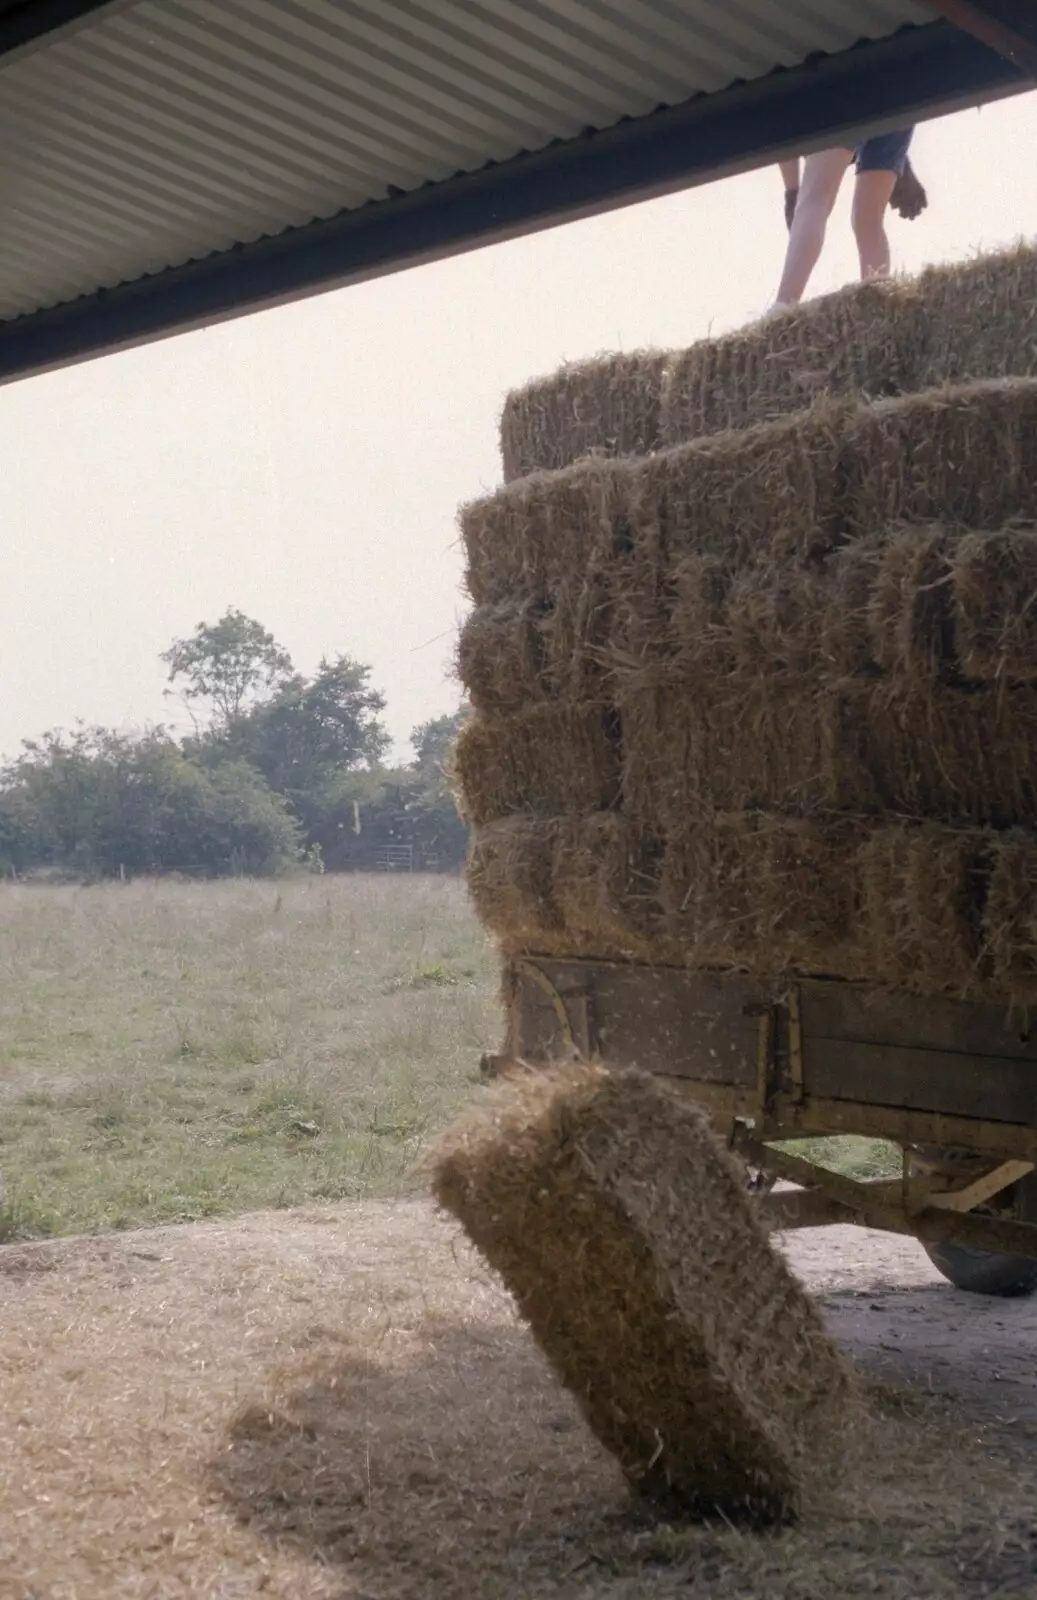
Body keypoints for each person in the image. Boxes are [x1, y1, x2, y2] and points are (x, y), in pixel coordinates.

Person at [772, 132, 926, 309]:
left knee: (814, 199)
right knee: (869, 220)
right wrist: (901, 160)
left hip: (840, 108)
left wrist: (792, 192)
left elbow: (782, 134)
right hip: (893, 111)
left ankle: (782, 307)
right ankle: (878, 306)